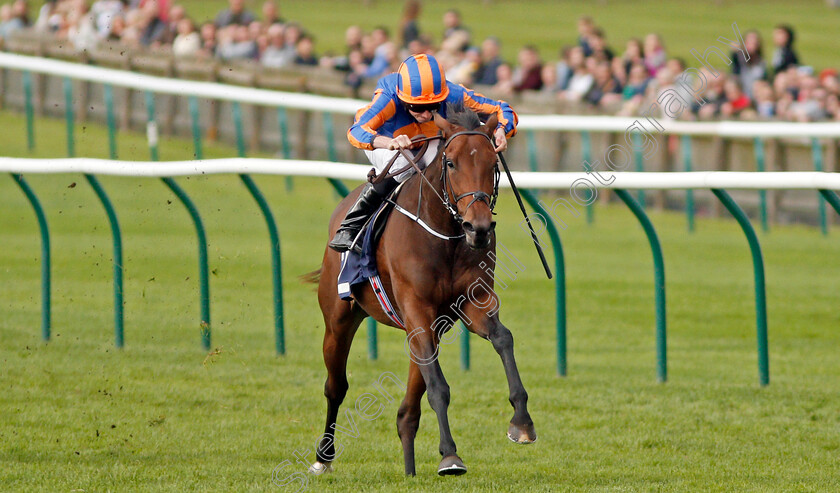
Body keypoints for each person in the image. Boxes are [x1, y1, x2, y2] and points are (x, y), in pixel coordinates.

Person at [329, 53, 517, 253]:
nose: (426, 115)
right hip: (385, 143)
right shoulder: (389, 96)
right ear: (403, 99)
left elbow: (501, 109)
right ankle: (352, 224)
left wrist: (501, 131)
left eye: (433, 107)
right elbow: (356, 131)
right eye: (417, 107)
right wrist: (389, 142)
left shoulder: (453, 94)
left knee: (441, 163)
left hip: (425, 141)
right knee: (403, 165)